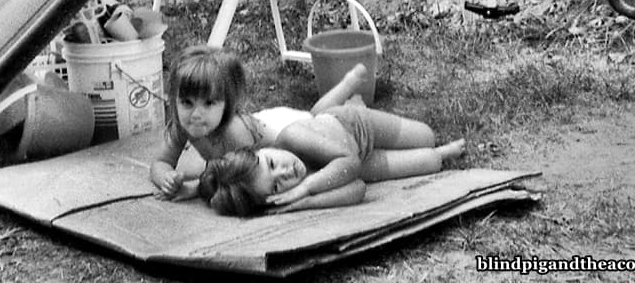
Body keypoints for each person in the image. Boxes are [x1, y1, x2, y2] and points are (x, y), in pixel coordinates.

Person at [198, 65, 466, 216]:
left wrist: (308, 187)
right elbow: (358, 185)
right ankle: (443, 152)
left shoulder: (291, 137)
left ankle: (349, 90)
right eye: (278, 186)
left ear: (264, 148)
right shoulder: (299, 189)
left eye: (271, 163)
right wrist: (304, 202)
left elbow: (346, 161)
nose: (286, 172)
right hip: (358, 162)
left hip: (355, 126)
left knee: (426, 136)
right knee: (431, 161)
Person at [149, 44, 368, 201]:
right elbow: (160, 162)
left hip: (288, 127)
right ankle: (348, 87)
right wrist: (166, 178)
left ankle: (350, 95)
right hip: (266, 119)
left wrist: (195, 189)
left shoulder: (235, 136)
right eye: (187, 103)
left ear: (227, 105)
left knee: (318, 118)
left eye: (208, 104)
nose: (196, 114)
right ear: (173, 100)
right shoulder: (181, 127)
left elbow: (238, 177)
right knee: (314, 113)